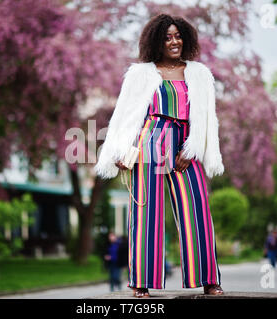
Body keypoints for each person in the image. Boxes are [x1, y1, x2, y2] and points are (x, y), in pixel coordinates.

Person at [95, 14, 224, 297]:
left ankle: (209, 280)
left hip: (186, 143)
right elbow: (125, 115)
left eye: (177, 36)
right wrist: (119, 149)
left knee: (197, 210)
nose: (174, 41)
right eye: (167, 37)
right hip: (151, 139)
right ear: (156, 41)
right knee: (145, 213)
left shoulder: (199, 74)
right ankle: (140, 283)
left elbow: (206, 118)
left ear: (185, 38)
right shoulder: (141, 74)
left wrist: (192, 149)